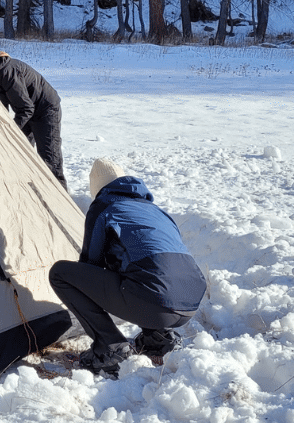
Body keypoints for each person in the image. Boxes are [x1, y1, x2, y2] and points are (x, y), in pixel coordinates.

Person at [48, 158, 207, 376]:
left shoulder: (104, 207)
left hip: (156, 302)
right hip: (190, 301)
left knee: (60, 274)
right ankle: (158, 338)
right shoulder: (155, 210)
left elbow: (90, 264)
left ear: (97, 188)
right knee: (142, 272)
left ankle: (109, 346)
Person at [0, 51, 67, 188]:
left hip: (45, 110)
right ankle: (28, 190)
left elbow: (27, 108)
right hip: (27, 111)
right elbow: (2, 107)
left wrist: (12, 131)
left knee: (49, 156)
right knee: (19, 151)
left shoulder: (6, 72)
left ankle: (60, 197)